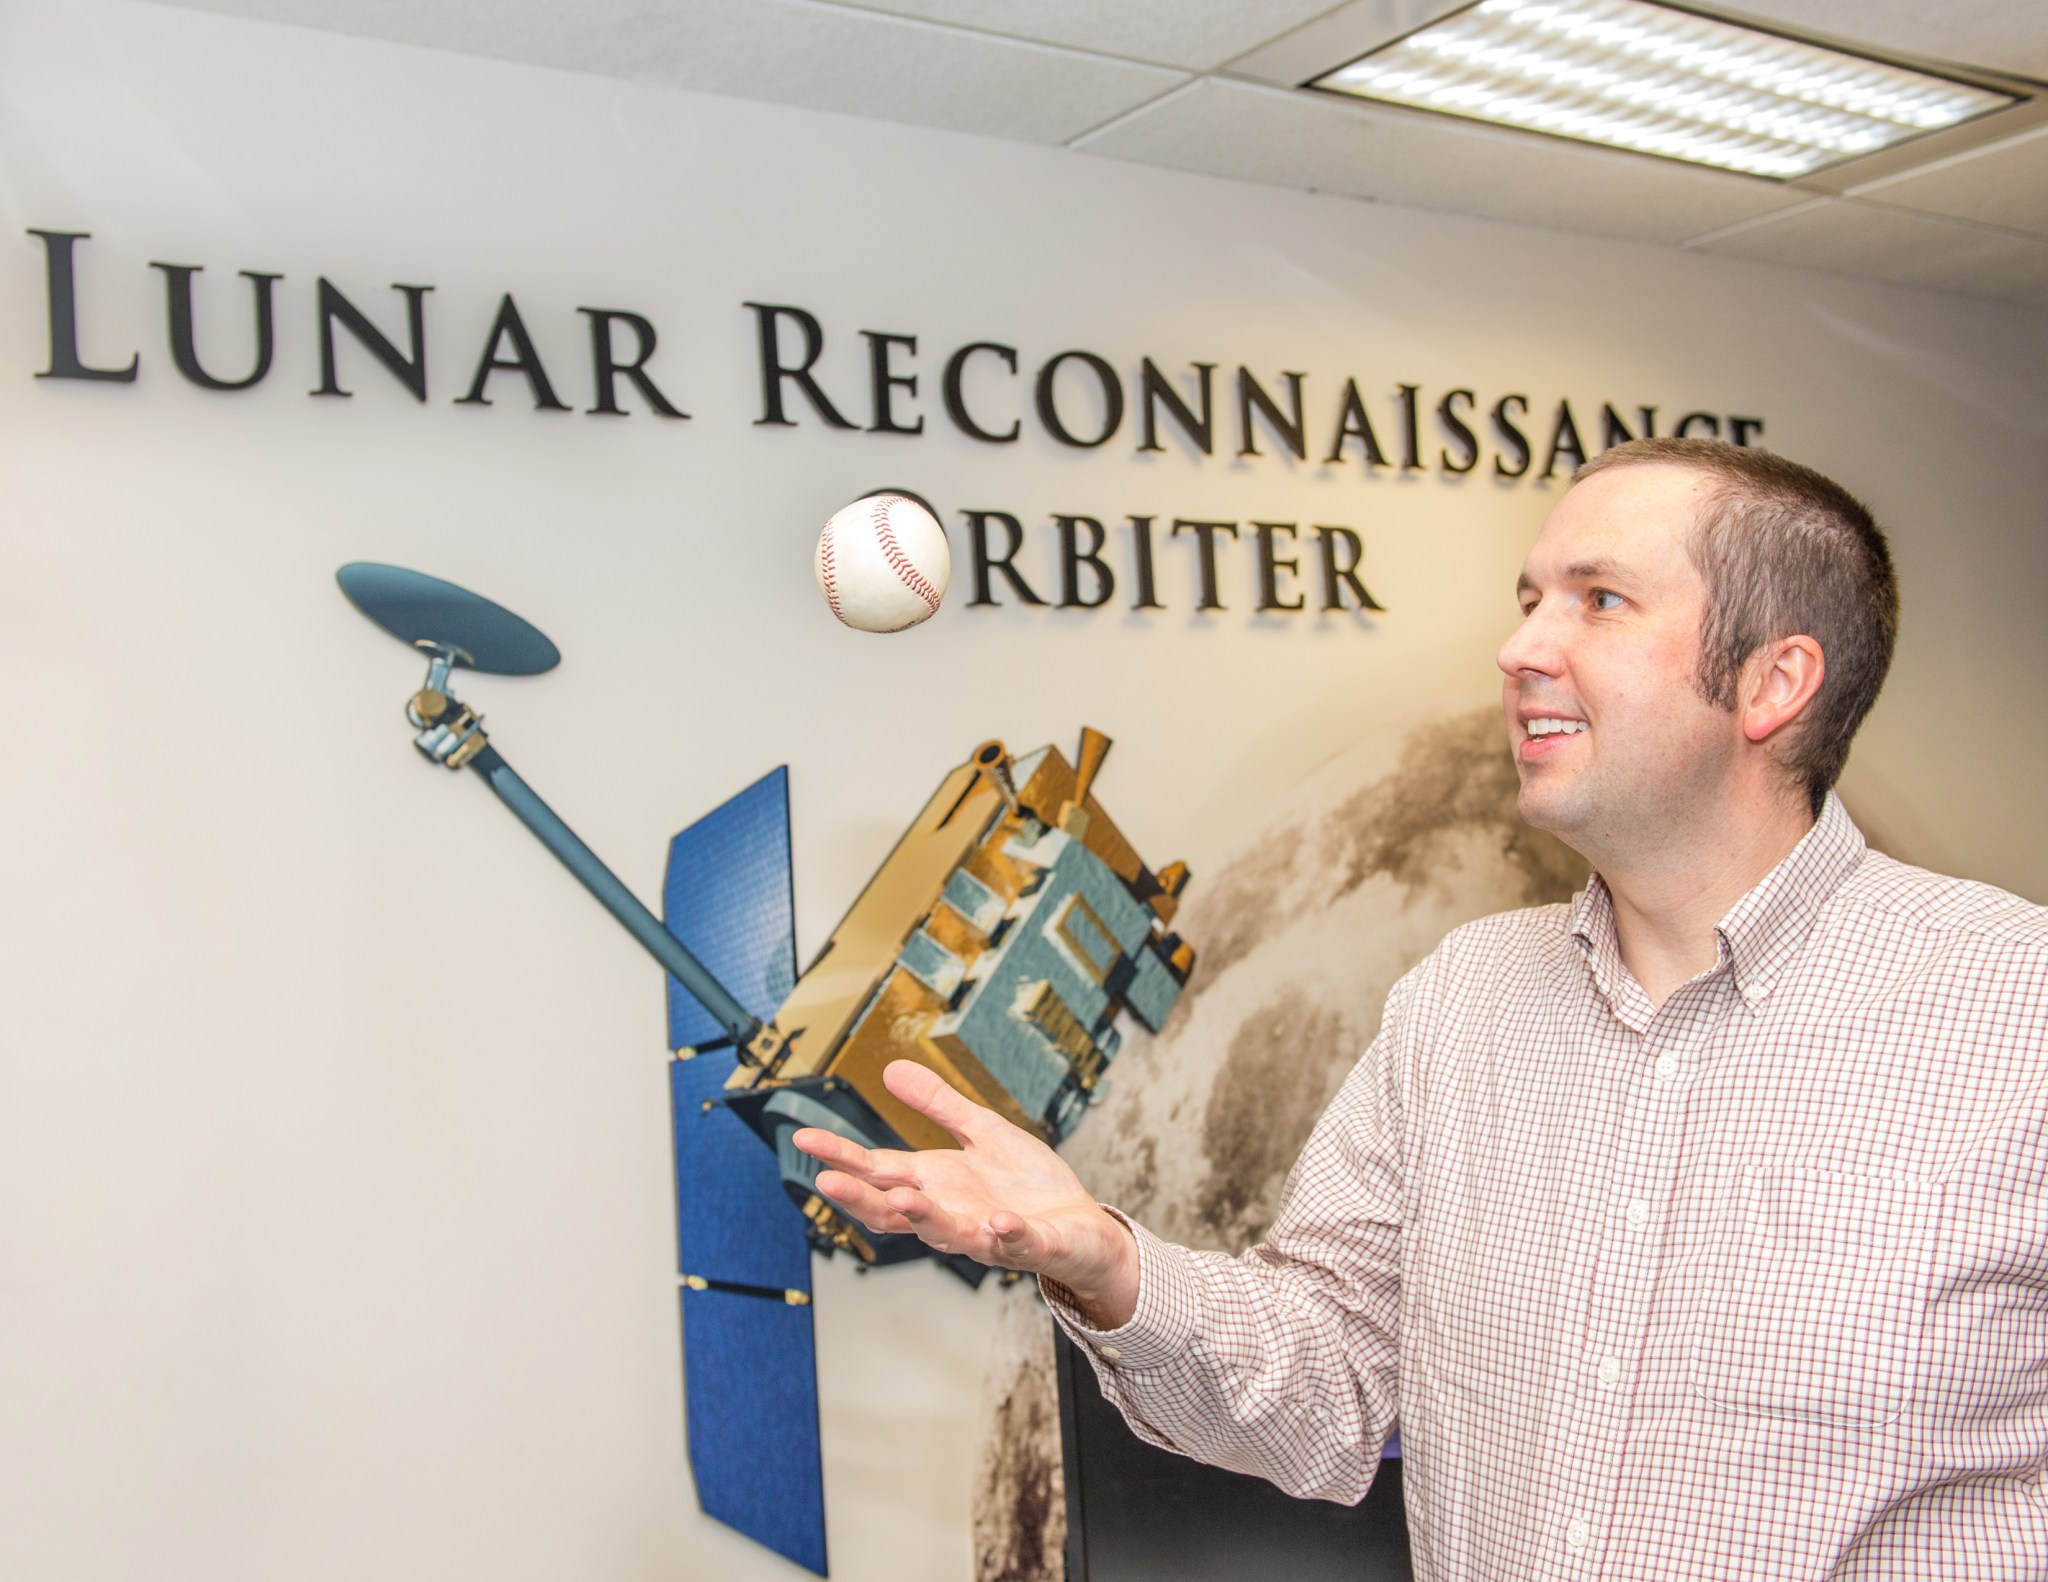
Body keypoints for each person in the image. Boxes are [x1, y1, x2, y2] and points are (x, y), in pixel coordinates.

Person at [794, 437, 2048, 1580]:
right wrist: (1106, 1261)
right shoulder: (1462, 1003)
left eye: (1597, 600)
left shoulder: (2013, 1010)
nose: (1518, 649)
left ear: (1772, 682)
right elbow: (1326, 1384)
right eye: (1526, 600)